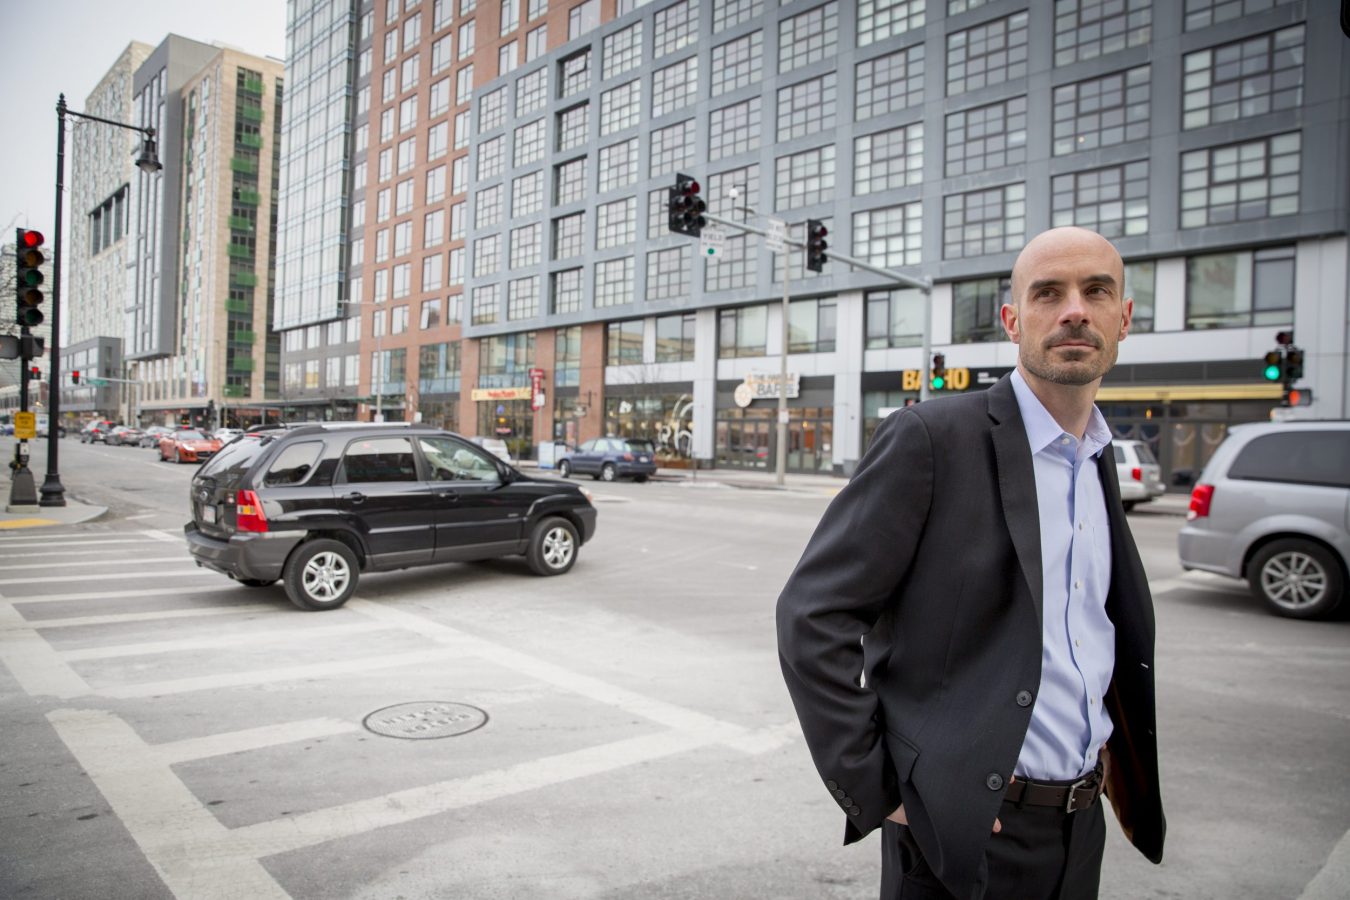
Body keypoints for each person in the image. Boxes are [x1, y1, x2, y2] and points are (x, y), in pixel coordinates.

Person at [776, 227, 1165, 900]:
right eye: (1049, 293)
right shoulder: (932, 439)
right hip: (960, 832)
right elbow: (814, 615)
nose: (1074, 309)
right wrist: (885, 793)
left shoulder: (1098, 457)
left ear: (1122, 319)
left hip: (1079, 828)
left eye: (1096, 290)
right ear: (1014, 321)